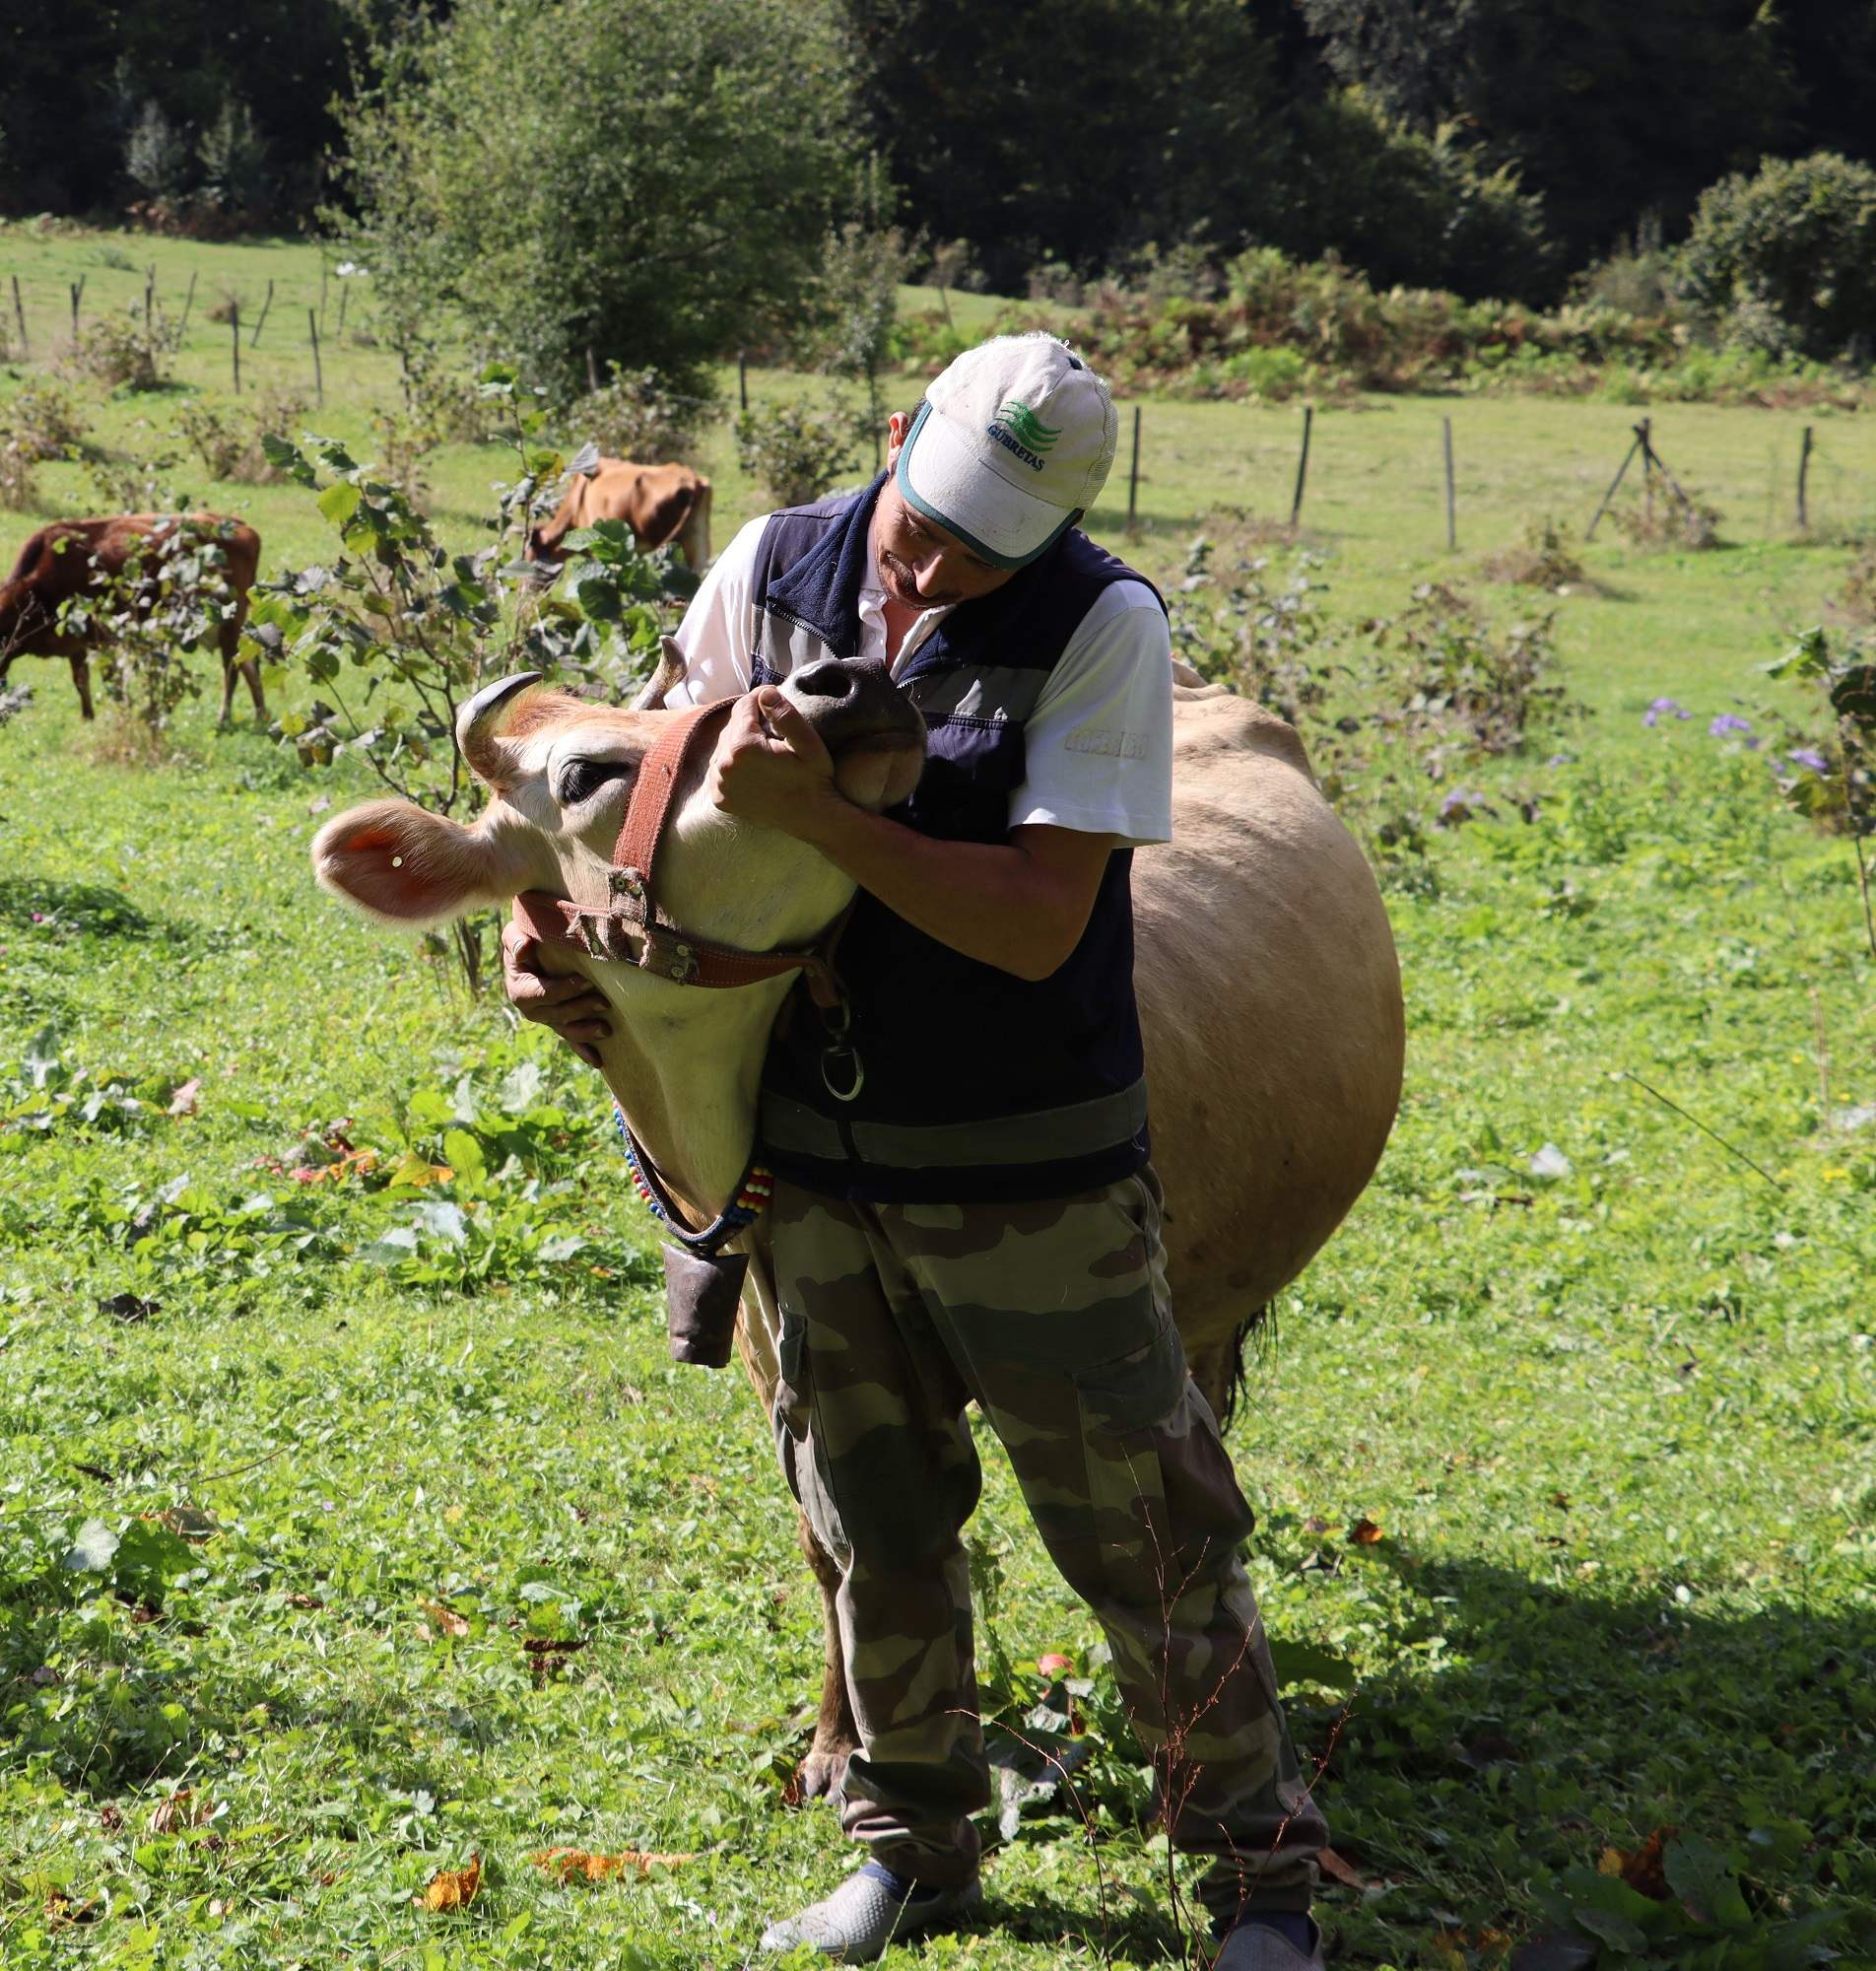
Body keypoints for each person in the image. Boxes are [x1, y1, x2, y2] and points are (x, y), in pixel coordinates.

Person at [506, 333, 1330, 1967]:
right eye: (929, 512)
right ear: (899, 435)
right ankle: (911, 1852)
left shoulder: (1099, 626)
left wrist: (834, 827)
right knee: (869, 1517)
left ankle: (1262, 1877)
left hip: (1030, 1165)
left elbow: (1038, 926)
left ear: (1061, 527)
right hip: (812, 1154)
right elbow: (664, 811)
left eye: (988, 540)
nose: (939, 558)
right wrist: (570, 940)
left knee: (1143, 1525)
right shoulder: (768, 563)